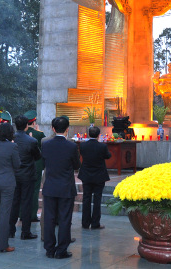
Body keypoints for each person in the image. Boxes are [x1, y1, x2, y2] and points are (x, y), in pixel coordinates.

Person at [41, 116, 80, 259]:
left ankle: (49, 249)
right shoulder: (71, 146)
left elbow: (43, 163)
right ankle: (61, 249)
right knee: (64, 219)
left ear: (53, 128)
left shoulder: (46, 144)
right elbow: (77, 165)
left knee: (49, 218)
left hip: (50, 186)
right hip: (65, 187)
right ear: (67, 129)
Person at [0, 122, 20, 253]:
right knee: (5, 214)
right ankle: (4, 244)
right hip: (7, 182)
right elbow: (17, 164)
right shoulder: (13, 146)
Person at [9, 115, 41, 240]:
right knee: (26, 203)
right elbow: (38, 156)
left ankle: (11, 230)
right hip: (27, 175)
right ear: (27, 126)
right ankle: (25, 232)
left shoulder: (11, 139)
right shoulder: (31, 141)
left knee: (14, 203)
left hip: (15, 174)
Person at [78, 126, 111, 229]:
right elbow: (108, 156)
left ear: (88, 134)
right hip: (99, 175)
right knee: (97, 199)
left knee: (86, 198)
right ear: (98, 135)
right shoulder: (102, 146)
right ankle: (95, 223)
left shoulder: (83, 145)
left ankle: (85, 223)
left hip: (86, 175)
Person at [24, 110, 46, 222]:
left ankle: (22, 214)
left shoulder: (19, 134)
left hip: (22, 165)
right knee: (34, 190)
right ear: (34, 122)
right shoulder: (39, 134)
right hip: (36, 165)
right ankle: (32, 214)